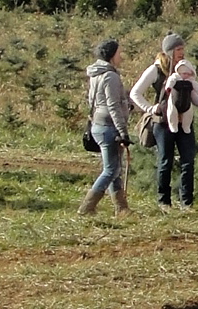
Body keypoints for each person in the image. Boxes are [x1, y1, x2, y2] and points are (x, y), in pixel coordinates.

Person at [131, 33, 191, 210]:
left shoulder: (183, 68)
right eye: (179, 49)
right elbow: (135, 93)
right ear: (170, 51)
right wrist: (150, 108)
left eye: (182, 49)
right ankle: (164, 201)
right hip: (162, 123)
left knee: (188, 161)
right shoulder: (156, 70)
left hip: (184, 122)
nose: (182, 52)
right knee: (166, 161)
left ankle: (186, 202)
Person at [81, 39, 131, 216]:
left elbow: (93, 101)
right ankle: (87, 207)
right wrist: (123, 131)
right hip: (109, 126)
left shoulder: (96, 74)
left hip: (98, 124)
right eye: (119, 53)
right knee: (111, 169)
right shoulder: (110, 76)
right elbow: (113, 106)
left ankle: (122, 208)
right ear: (111, 56)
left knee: (114, 168)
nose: (121, 57)